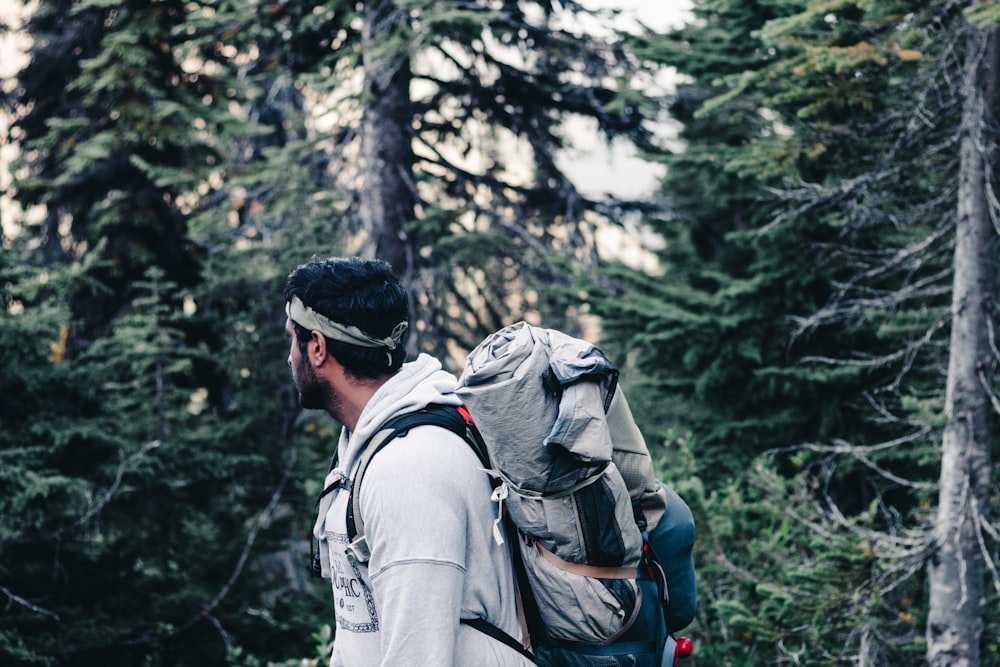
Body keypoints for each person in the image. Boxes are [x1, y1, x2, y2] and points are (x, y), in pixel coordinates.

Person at [283, 256, 533, 666]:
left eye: (291, 340)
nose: (288, 358)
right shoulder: (370, 440)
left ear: (316, 347)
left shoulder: (409, 470)